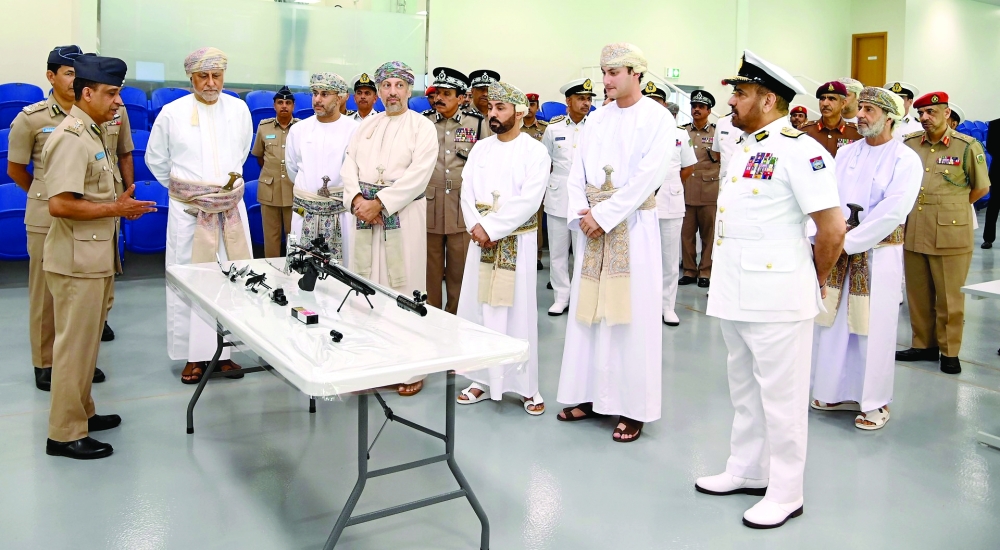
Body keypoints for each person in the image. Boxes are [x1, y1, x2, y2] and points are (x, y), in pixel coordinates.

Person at [696, 50, 845, 529]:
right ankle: (746, 470)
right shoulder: (746, 147)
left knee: (781, 400)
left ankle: (786, 492)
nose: (731, 101)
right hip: (736, 290)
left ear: (767, 99)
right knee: (744, 390)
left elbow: (832, 230)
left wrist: (814, 279)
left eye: (740, 93)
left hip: (779, 295)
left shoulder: (802, 150)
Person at [555, 43, 673, 443]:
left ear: (637, 74)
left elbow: (647, 177)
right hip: (592, 229)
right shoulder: (596, 119)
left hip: (632, 228)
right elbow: (576, 172)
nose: (605, 81)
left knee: (629, 316)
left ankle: (632, 407)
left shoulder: (658, 118)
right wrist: (581, 214)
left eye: (614, 73)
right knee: (589, 313)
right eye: (603, 72)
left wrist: (604, 216)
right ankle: (588, 396)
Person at [42, 54, 158, 459]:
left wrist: (115, 203)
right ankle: (63, 433)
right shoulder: (72, 138)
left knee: (87, 347)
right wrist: (116, 209)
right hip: (76, 262)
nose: (118, 102)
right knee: (73, 349)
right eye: (111, 93)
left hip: (92, 258)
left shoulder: (92, 133)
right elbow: (59, 205)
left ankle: (82, 413)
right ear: (87, 93)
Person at [811, 87, 922, 431]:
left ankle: (875, 402)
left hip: (878, 254)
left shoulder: (905, 159)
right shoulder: (845, 154)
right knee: (832, 323)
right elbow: (827, 196)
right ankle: (833, 390)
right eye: (860, 109)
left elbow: (894, 210)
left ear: (890, 117)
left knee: (873, 328)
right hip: (840, 250)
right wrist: (831, 238)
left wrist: (849, 241)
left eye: (869, 110)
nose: (860, 115)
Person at [147, 47, 254, 385]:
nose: (211, 83)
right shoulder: (171, 112)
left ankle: (225, 353)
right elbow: (155, 160)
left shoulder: (238, 109)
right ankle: (192, 357)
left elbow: (243, 149)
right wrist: (189, 193)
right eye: (203, 76)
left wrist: (219, 193)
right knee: (189, 280)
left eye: (217, 75)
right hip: (188, 213)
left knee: (231, 277)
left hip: (230, 211)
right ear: (191, 78)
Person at [6, 46, 102, 391]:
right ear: (51, 76)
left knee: (80, 297)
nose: (75, 80)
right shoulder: (32, 118)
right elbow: (15, 168)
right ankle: (45, 362)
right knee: (46, 295)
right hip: (47, 216)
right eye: (68, 73)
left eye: (79, 73)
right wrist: (43, 193)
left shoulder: (91, 116)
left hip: (85, 217)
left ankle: (76, 364)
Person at [341, 61, 438, 396]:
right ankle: (368, 364)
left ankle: (411, 367)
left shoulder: (422, 128)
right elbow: (348, 164)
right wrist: (356, 199)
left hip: (403, 217)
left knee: (404, 283)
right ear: (379, 91)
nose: (392, 92)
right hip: (365, 219)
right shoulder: (366, 125)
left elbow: (418, 175)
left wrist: (379, 203)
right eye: (386, 86)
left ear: (409, 90)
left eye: (399, 85)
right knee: (365, 286)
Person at [455, 81, 549, 415]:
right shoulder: (481, 148)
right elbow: (466, 191)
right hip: (480, 240)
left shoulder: (534, 151)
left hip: (516, 242)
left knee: (517, 312)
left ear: (519, 112)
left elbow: (529, 200)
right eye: (490, 109)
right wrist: (475, 227)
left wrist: (493, 227)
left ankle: (526, 386)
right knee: (480, 310)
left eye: (501, 109)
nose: (492, 115)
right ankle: (481, 379)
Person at [895, 92, 991, 374]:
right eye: (921, 113)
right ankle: (923, 345)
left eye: (931, 112)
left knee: (949, 297)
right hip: (915, 228)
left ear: (947, 113)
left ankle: (950, 352)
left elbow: (981, 189)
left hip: (951, 233)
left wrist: (952, 209)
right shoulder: (911, 144)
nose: (925, 118)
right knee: (918, 294)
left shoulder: (966, 146)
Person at [422, 67, 482, 314]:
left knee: (460, 266)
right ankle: (430, 313)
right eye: (438, 93)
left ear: (461, 97)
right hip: (429, 203)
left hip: (461, 205)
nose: (439, 99)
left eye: (447, 94)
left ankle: (455, 316)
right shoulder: (423, 123)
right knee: (430, 266)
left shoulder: (477, 124)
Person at [285, 73, 360, 261]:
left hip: (340, 214)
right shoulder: (299, 130)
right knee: (300, 268)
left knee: (341, 271)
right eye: (315, 93)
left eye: (325, 94)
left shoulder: (354, 129)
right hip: (304, 212)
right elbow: (292, 169)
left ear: (340, 97)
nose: (317, 99)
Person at [541, 78, 595, 316]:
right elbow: (545, 163)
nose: (587, 103)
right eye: (581, 98)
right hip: (558, 196)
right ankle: (561, 297)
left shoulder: (595, 127)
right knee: (558, 251)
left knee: (582, 252)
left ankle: (581, 296)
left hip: (584, 200)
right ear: (569, 101)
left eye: (589, 98)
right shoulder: (553, 129)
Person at [654, 95, 697, 325]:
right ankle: (645, 303)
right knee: (641, 258)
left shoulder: (680, 133)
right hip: (641, 204)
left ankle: (667, 306)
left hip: (670, 201)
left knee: (670, 259)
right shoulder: (640, 131)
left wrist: (670, 184)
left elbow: (688, 167)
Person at [679, 90, 721, 288]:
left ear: (709, 110)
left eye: (701, 107)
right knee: (686, 234)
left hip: (709, 192)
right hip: (686, 190)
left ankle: (706, 271)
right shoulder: (682, 132)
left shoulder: (717, 133)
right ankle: (689, 270)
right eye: (694, 106)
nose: (696, 109)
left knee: (708, 235)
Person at [251, 86, 298, 258]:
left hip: (294, 190)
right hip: (269, 190)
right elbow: (260, 157)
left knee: (294, 236)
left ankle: (294, 271)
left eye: (288, 103)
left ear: (293, 106)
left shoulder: (301, 128)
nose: (284, 106)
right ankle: (271, 271)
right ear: (274, 105)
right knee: (271, 236)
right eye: (280, 102)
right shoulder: (264, 127)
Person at [799, 81, 862, 158]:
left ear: (843, 104)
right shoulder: (805, 131)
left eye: (831, 99)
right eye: (822, 99)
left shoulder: (856, 133)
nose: (825, 104)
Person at [521, 92, 548, 270]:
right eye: (527, 105)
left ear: (537, 107)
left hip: (538, 180)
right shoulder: (515, 127)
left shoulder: (546, 128)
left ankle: (537, 255)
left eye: (533, 104)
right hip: (519, 179)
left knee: (537, 218)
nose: (530, 108)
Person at [983, 118, 1000, 248]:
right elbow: (990, 146)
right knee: (994, 204)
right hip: (998, 169)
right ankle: (988, 238)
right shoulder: (995, 123)